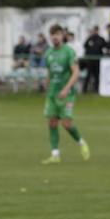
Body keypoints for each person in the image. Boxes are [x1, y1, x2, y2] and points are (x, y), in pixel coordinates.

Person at [41, 26, 90, 164]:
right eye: (52, 34)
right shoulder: (49, 53)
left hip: (67, 94)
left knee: (66, 124)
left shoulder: (69, 52)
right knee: (52, 122)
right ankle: (55, 154)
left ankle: (81, 143)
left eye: (57, 34)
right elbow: (50, 72)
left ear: (62, 35)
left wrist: (66, 88)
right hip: (52, 94)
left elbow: (76, 72)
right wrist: (47, 84)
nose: (54, 37)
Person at [82, 26, 106, 94]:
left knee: (97, 75)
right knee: (88, 75)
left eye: (96, 30)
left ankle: (97, 89)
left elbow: (105, 47)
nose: (95, 32)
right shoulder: (90, 38)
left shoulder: (101, 39)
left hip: (98, 61)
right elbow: (85, 46)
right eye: (94, 30)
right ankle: (84, 89)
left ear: (98, 31)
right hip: (90, 60)